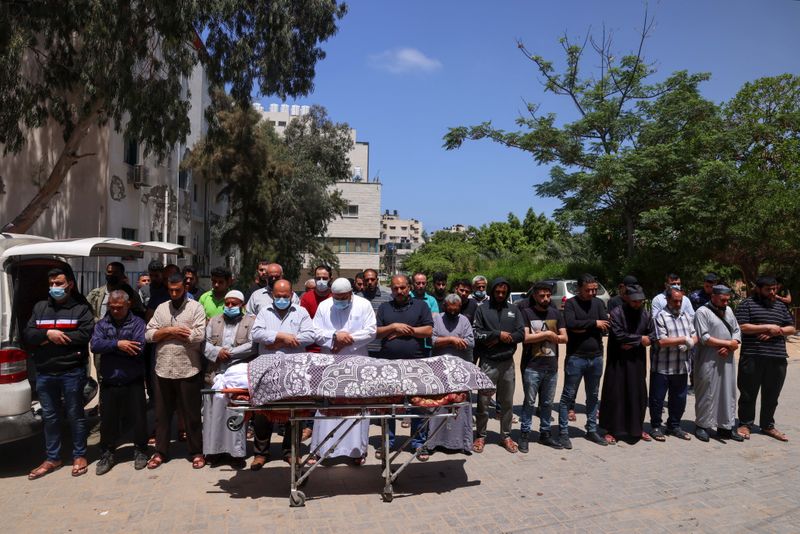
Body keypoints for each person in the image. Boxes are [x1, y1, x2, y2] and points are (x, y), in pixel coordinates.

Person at [25, 268, 94, 480]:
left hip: (71, 372)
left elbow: (83, 335)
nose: (54, 287)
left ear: (70, 284)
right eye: (52, 283)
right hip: (45, 372)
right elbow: (28, 333)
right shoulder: (40, 307)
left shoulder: (81, 309)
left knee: (75, 415)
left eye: (59, 283)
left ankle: (79, 455)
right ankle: (52, 457)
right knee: (50, 417)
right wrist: (48, 334)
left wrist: (49, 338)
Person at [249, 280, 317, 468]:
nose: (281, 299)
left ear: (291, 294)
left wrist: (281, 341)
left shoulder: (300, 312)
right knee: (263, 412)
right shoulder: (264, 312)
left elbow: (310, 335)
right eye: (277, 296)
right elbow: (256, 333)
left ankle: (291, 452)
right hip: (268, 368)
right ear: (272, 295)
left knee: (294, 412)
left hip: (294, 369)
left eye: (285, 296)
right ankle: (260, 453)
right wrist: (281, 336)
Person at [144, 273, 207, 469]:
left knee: (192, 414)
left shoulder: (196, 308)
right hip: (163, 368)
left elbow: (198, 335)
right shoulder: (162, 308)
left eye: (177, 290)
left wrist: (166, 334)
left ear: (185, 289)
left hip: (188, 368)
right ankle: (160, 452)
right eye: (170, 290)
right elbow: (148, 334)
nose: (174, 293)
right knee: (162, 415)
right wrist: (170, 332)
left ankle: (196, 451)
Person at [311, 278, 376, 464]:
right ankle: (323, 449)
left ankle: (357, 451)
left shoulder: (364, 305)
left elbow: (371, 330)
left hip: (357, 361)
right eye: (336, 297)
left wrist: (348, 340)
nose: (339, 300)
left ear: (351, 293)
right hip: (330, 361)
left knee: (356, 406)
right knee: (328, 405)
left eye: (343, 297)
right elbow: (314, 332)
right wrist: (333, 338)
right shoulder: (324, 306)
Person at [375, 274, 434, 458]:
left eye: (402, 287)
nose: (399, 291)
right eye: (395, 288)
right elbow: (376, 333)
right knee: (389, 405)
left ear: (409, 287)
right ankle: (387, 442)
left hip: (416, 364)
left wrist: (407, 331)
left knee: (418, 404)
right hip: (389, 366)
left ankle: (418, 443)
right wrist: (393, 326)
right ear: (391, 289)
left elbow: (429, 330)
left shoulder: (421, 305)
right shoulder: (384, 308)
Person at [90, 290, 149, 474]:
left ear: (128, 304)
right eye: (112, 308)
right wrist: (119, 345)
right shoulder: (102, 324)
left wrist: (110, 346)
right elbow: (95, 345)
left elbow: (138, 348)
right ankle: (107, 454)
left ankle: (140, 450)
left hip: (133, 379)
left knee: (139, 418)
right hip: (109, 380)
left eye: (119, 308)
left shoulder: (138, 323)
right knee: (108, 421)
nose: (115, 311)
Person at [735, 276, 796, 442]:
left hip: (777, 358)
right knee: (748, 393)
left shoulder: (780, 306)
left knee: (772, 395)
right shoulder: (747, 304)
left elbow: (791, 327)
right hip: (752, 356)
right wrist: (767, 327)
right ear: (758, 289)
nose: (772, 292)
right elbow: (741, 326)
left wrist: (778, 331)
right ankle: (745, 424)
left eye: (774, 289)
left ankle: (768, 425)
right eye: (768, 289)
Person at [203, 290, 256, 468]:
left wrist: (230, 353)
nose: (230, 306)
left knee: (236, 414)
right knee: (213, 414)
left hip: (238, 376)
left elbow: (252, 345)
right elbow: (205, 343)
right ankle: (214, 452)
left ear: (242, 304)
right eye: (227, 303)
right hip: (215, 373)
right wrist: (218, 352)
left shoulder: (250, 321)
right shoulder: (214, 320)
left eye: (234, 303)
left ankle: (236, 453)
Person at [472, 277, 525, 454]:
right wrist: (496, 335)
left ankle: (506, 436)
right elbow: (476, 333)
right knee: (483, 402)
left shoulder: (514, 309)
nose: (501, 295)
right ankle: (480, 435)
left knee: (507, 402)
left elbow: (521, 333)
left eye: (504, 292)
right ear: (492, 291)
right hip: (488, 363)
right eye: (497, 292)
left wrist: (507, 338)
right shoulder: (482, 309)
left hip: (507, 364)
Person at [558, 273, 609, 449]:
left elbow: (605, 325)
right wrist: (594, 324)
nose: (593, 293)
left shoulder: (599, 303)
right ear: (579, 289)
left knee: (593, 395)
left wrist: (585, 326)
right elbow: (571, 325)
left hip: (596, 356)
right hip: (576, 357)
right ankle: (563, 432)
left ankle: (592, 429)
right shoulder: (571, 304)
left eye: (595, 289)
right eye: (589, 290)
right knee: (568, 396)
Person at [599, 284, 653, 444]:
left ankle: (636, 428)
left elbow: (652, 334)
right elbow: (618, 335)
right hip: (618, 362)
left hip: (637, 361)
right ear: (628, 299)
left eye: (640, 301)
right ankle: (611, 430)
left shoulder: (646, 314)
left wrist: (637, 341)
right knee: (616, 394)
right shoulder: (617, 313)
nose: (637, 304)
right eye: (635, 301)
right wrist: (640, 339)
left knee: (638, 394)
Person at [518, 282, 567, 452]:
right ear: (534, 296)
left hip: (551, 366)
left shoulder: (556, 313)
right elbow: (525, 338)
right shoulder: (526, 313)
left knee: (547, 403)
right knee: (529, 402)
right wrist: (547, 334)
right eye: (541, 295)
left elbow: (565, 338)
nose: (545, 299)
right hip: (532, 365)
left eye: (548, 295)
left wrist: (549, 336)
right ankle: (524, 434)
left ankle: (545, 434)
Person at [693, 285, 744, 442]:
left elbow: (736, 330)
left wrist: (732, 344)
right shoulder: (702, 312)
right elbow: (704, 337)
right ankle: (702, 426)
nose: (726, 303)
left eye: (728, 300)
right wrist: (728, 344)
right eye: (723, 299)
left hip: (727, 359)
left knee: (728, 392)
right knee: (707, 392)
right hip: (708, 359)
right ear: (713, 296)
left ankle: (725, 427)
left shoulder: (728, 310)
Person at [427, 293, 475, 454]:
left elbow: (471, 341)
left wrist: (459, 341)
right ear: (445, 307)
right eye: (450, 310)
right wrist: (451, 340)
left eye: (456, 310)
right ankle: (434, 442)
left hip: (459, 372)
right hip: (439, 371)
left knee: (460, 407)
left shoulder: (464, 320)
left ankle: (462, 442)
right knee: (438, 407)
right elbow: (431, 340)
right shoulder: (437, 319)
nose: (453, 313)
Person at [649, 287, 696, 442]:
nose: (678, 303)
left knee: (679, 399)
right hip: (662, 366)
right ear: (667, 300)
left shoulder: (687, 316)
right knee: (657, 399)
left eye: (680, 301)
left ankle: (674, 425)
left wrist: (690, 343)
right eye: (675, 301)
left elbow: (695, 335)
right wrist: (683, 339)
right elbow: (661, 341)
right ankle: (656, 426)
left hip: (681, 366)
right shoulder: (660, 317)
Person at [357, 268, 393, 358]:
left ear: (377, 280)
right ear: (363, 281)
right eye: (367, 280)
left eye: (372, 279)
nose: (370, 282)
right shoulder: (356, 298)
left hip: (382, 347)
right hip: (361, 348)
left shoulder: (387, 298)